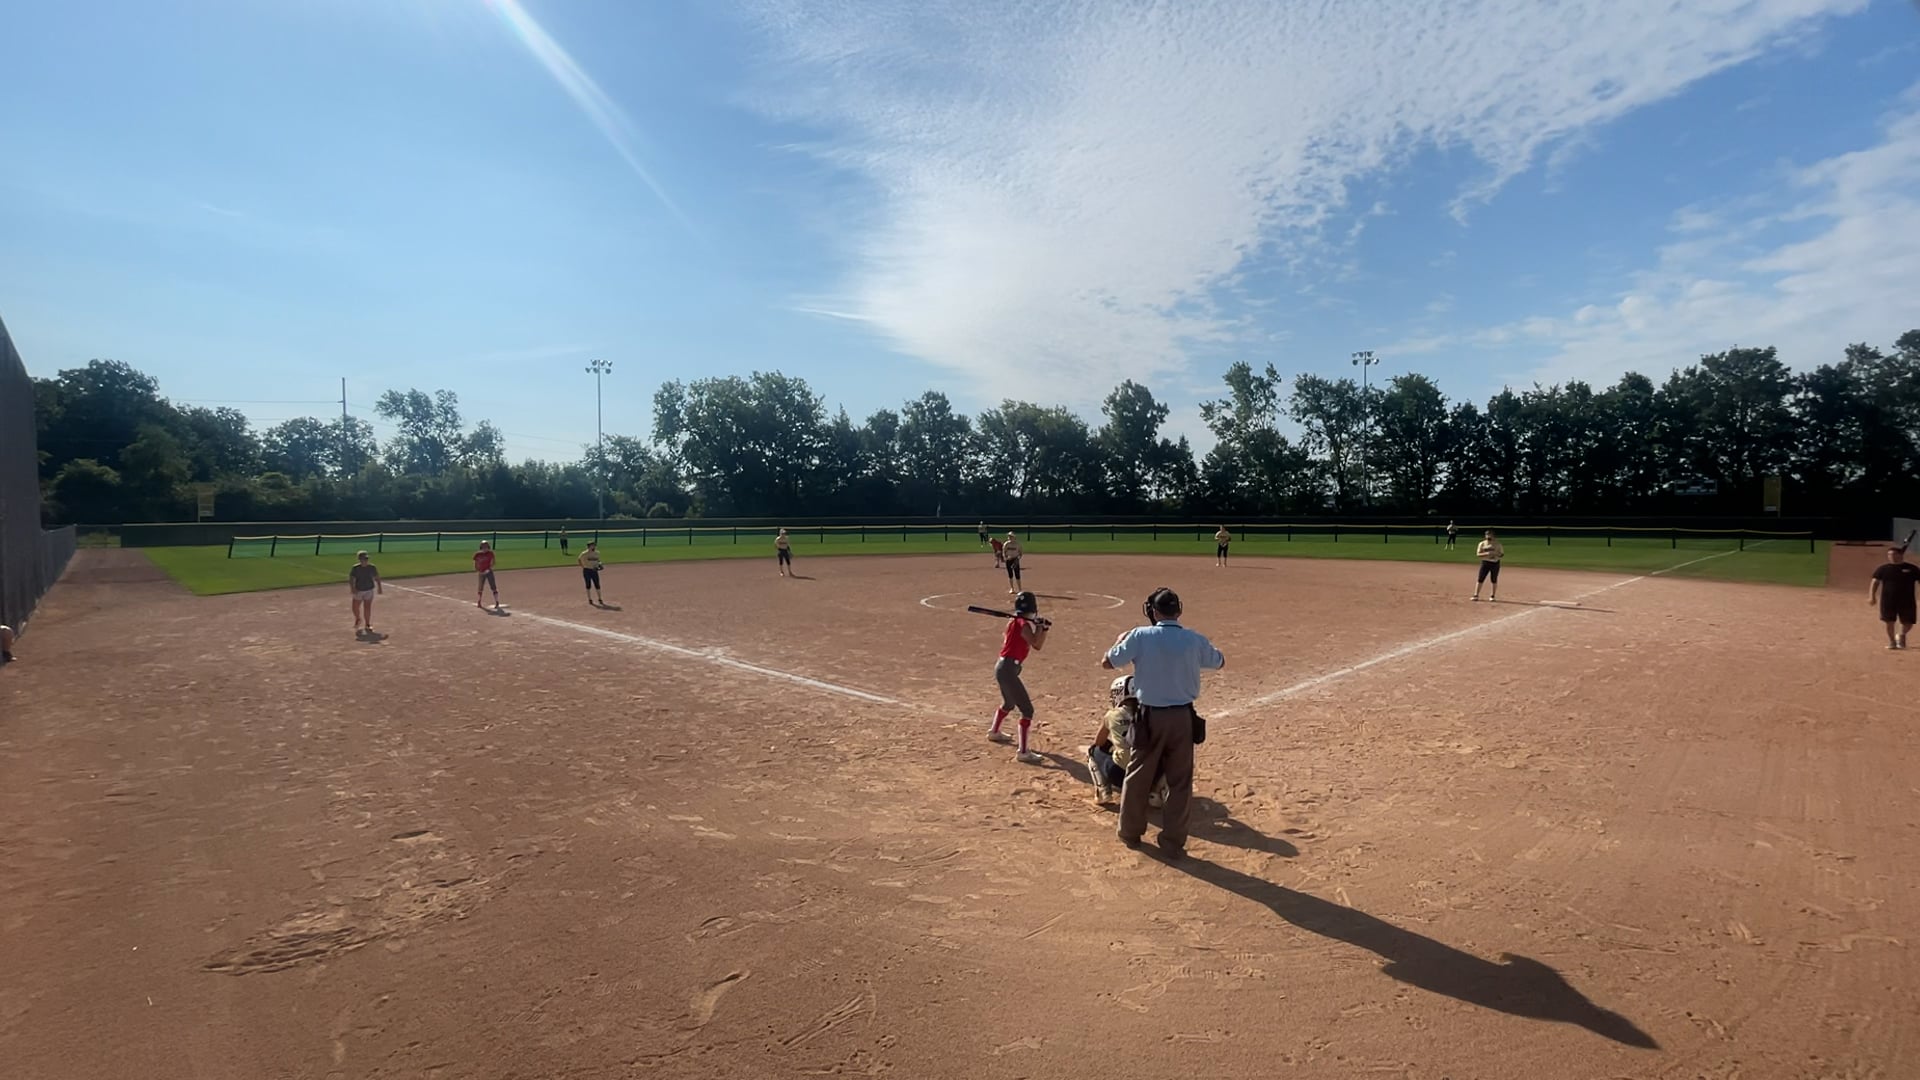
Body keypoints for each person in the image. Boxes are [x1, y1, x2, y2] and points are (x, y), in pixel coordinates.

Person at [1102, 587, 1225, 857]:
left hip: (1149, 716)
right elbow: (1219, 661)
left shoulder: (1140, 635)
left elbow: (1107, 662)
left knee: (1137, 775)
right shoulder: (1193, 638)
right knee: (1180, 781)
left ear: (1153, 612)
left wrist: (1121, 642)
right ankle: (1172, 842)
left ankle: (1130, 832)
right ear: (1178, 610)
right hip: (1182, 717)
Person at [987, 591, 1049, 765]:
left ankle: (994, 732)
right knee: (1027, 710)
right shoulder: (1022, 624)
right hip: (1008, 669)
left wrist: (1039, 626)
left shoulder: (1014, 622)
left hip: (1004, 668)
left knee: (1009, 703)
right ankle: (1023, 752)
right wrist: (1042, 629)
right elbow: (1037, 644)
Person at [1086, 675, 1168, 807]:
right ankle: (1155, 792)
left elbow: (1099, 742)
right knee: (1167, 752)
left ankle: (1103, 791)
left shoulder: (1112, 715)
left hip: (1120, 775)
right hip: (1151, 773)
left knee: (1093, 750)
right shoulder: (1151, 712)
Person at [1869, 546, 1919, 650]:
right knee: (1889, 622)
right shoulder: (1883, 569)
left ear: (1901, 555)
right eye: (1889, 555)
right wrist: (1872, 596)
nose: (1891, 557)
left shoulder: (1912, 568)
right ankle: (1892, 642)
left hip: (1907, 600)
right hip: (1888, 600)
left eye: (1894, 554)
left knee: (1908, 622)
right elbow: (1875, 582)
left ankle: (1901, 635)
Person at [349, 551, 383, 635]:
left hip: (369, 590)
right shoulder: (356, 568)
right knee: (355, 607)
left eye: (366, 559)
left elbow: (377, 577)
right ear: (360, 559)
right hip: (358, 590)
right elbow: (352, 579)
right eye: (364, 558)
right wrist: (353, 588)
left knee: (367, 607)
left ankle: (367, 624)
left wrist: (379, 587)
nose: (365, 560)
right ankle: (358, 618)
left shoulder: (372, 567)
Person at [1471, 530, 1504, 602]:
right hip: (1485, 563)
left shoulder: (1498, 544)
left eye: (1490, 535)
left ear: (1493, 536)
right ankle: (1476, 595)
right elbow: (1478, 554)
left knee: (1494, 579)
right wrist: (1487, 554)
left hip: (1495, 563)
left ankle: (1492, 596)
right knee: (1480, 579)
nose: (1488, 536)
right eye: (1487, 535)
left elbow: (1501, 554)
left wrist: (1495, 554)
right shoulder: (1482, 544)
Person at [474, 540, 501, 610]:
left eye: (486, 547)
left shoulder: (490, 553)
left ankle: (497, 602)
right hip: (481, 572)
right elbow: (476, 564)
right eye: (483, 547)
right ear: (481, 547)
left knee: (493, 586)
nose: (485, 548)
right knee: (480, 587)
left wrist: (488, 569)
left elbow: (493, 562)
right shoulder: (477, 554)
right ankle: (479, 602)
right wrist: (478, 571)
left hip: (489, 572)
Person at [579, 540, 605, 605]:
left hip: (594, 571)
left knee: (597, 584)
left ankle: (600, 598)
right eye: (593, 545)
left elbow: (598, 560)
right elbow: (579, 559)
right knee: (588, 585)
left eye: (594, 545)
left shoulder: (597, 553)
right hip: (587, 570)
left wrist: (600, 564)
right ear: (589, 546)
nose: (594, 546)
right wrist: (583, 566)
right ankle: (590, 599)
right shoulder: (584, 553)